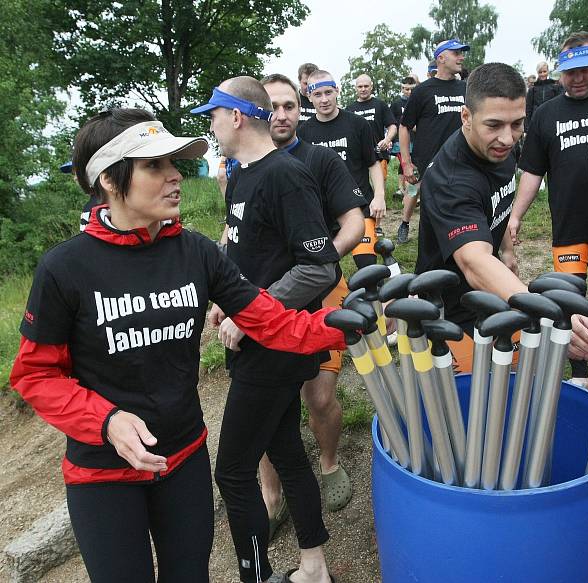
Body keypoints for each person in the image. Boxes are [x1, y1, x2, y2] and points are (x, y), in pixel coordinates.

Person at [9, 108, 346, 583]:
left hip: (183, 458)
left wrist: (344, 323)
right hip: (103, 474)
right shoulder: (65, 269)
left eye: (174, 163)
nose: (175, 177)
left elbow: (272, 323)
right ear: (108, 178)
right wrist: (105, 421)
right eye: (154, 166)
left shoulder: (196, 251)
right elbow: (35, 375)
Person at [192, 77, 340, 583]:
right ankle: (315, 569)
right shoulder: (239, 175)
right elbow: (247, 255)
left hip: (275, 346)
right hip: (254, 342)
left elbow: (320, 268)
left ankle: (255, 575)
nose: (208, 125)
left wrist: (249, 313)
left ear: (237, 116)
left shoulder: (286, 176)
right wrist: (225, 302)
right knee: (287, 454)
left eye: (212, 115)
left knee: (232, 471)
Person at [413, 61, 588, 371]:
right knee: (475, 404)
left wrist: (507, 249)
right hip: (451, 308)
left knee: (515, 384)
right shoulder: (451, 180)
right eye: (494, 125)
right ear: (466, 117)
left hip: (494, 291)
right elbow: (473, 262)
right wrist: (544, 312)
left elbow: (495, 203)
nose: (507, 138)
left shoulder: (499, 148)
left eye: (517, 123)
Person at [256, 72, 368, 526]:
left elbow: (354, 223)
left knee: (319, 396)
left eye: (289, 106)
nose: (281, 115)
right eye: (272, 107)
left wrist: (319, 263)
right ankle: (271, 488)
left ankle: (328, 463)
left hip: (320, 293)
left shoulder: (321, 160)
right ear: (255, 113)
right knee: (263, 400)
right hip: (264, 302)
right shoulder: (242, 166)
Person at [508, 31, 588, 388]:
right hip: (569, 221)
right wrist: (516, 216)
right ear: (560, 70)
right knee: (569, 295)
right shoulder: (547, 115)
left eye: (585, 70)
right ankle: (580, 372)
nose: (577, 79)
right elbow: (533, 171)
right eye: (570, 71)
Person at [298, 69, 385, 267]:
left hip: (358, 206)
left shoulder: (358, 124)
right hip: (322, 212)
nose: (324, 99)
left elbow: (372, 163)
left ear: (337, 91)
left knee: (368, 265)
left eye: (328, 92)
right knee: (324, 271)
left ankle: (375, 296)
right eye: (318, 95)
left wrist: (379, 196)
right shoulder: (303, 132)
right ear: (309, 96)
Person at [398, 39, 469, 244]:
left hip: (459, 160)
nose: (461, 57)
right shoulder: (423, 91)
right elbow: (404, 126)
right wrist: (406, 163)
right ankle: (404, 222)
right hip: (427, 161)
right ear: (441, 58)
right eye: (456, 53)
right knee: (415, 192)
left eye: (461, 53)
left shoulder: (466, 88)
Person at [346, 73, 397, 234]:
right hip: (356, 157)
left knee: (377, 188)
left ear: (371, 86)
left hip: (377, 153)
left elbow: (393, 126)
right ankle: (355, 220)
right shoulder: (350, 109)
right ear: (355, 88)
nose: (363, 89)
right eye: (360, 86)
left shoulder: (380, 105)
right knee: (356, 188)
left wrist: (387, 139)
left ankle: (377, 225)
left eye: (366, 86)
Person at [390, 76, 418, 199]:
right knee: (404, 164)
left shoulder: (418, 102)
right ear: (402, 88)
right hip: (400, 141)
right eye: (406, 89)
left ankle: (409, 191)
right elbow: (391, 122)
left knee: (413, 164)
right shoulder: (396, 104)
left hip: (416, 140)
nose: (409, 92)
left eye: (411, 89)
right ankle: (403, 190)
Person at [524, 60, 563, 132]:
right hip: (536, 121)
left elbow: (560, 105)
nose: (542, 74)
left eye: (544, 71)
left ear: (548, 71)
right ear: (537, 73)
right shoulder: (532, 89)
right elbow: (528, 109)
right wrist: (527, 128)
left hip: (552, 120)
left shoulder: (555, 87)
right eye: (540, 72)